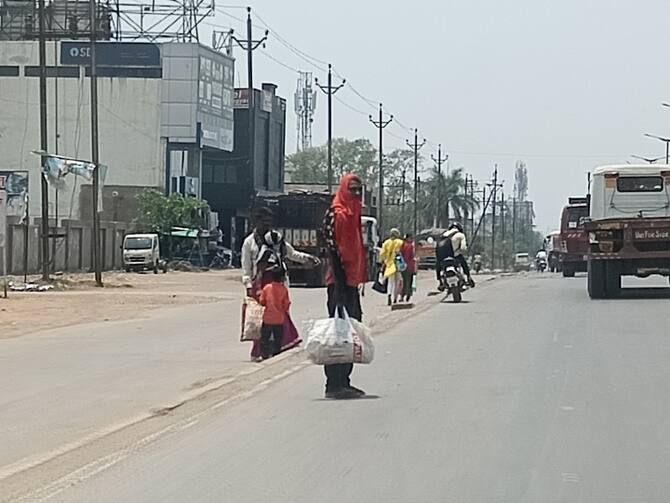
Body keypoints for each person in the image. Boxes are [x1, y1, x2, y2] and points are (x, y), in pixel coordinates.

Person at [241, 207, 320, 361]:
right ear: (256, 222)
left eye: (269, 222)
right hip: (260, 284)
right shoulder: (249, 243)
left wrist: (308, 258)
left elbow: (291, 254)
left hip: (278, 282)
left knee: (279, 313)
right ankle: (261, 350)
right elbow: (246, 267)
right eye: (263, 222)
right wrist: (248, 286)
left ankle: (279, 346)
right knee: (261, 319)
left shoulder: (277, 239)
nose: (266, 225)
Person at [323, 173, 367, 399]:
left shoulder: (353, 215)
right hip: (339, 283)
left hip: (350, 282)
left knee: (351, 331)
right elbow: (334, 253)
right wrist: (340, 286)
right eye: (352, 190)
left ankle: (344, 380)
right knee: (339, 333)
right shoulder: (339, 215)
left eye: (359, 190)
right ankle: (334, 383)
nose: (357, 194)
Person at [258, 267, 291, 359]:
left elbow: (262, 301)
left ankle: (264, 354)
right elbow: (286, 304)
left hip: (267, 318)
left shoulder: (266, 288)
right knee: (278, 338)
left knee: (265, 338)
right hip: (279, 319)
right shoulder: (284, 290)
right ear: (282, 278)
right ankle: (276, 354)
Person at [437, 222, 475, 288]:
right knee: (464, 263)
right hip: (454, 257)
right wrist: (460, 251)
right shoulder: (460, 235)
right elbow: (463, 248)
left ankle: (440, 282)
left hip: (442, 258)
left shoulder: (444, 234)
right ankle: (468, 278)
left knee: (438, 265)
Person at [380, 228, 405, 306]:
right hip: (398, 264)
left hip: (389, 265)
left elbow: (382, 254)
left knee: (390, 283)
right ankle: (395, 298)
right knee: (398, 282)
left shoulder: (386, 243)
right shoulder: (400, 242)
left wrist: (383, 262)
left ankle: (389, 295)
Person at [400, 233, 416, 302]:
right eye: (411, 238)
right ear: (408, 238)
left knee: (404, 282)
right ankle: (408, 296)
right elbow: (412, 256)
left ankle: (402, 296)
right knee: (409, 282)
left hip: (403, 267)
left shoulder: (403, 245)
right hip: (410, 266)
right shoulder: (410, 246)